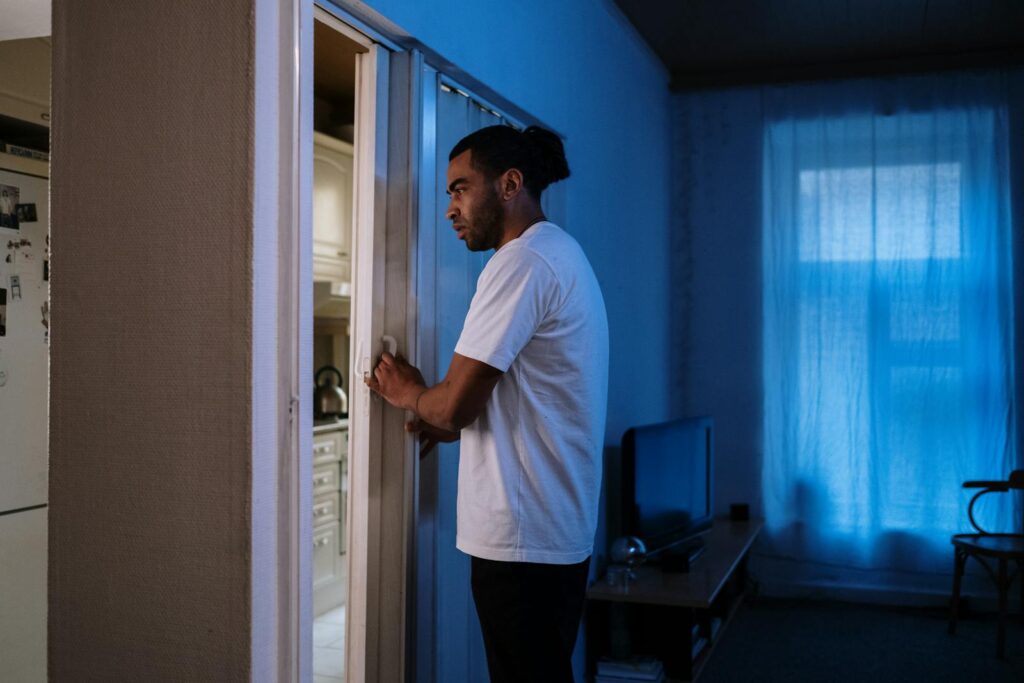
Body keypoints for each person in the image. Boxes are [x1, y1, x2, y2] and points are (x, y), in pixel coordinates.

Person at [366, 124, 609, 682]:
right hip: (552, 531)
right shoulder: (561, 253)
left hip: (524, 543)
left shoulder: (522, 263)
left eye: (460, 189)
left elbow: (455, 406)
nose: (450, 209)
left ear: (509, 184)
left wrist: (409, 392)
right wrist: (446, 415)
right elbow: (522, 396)